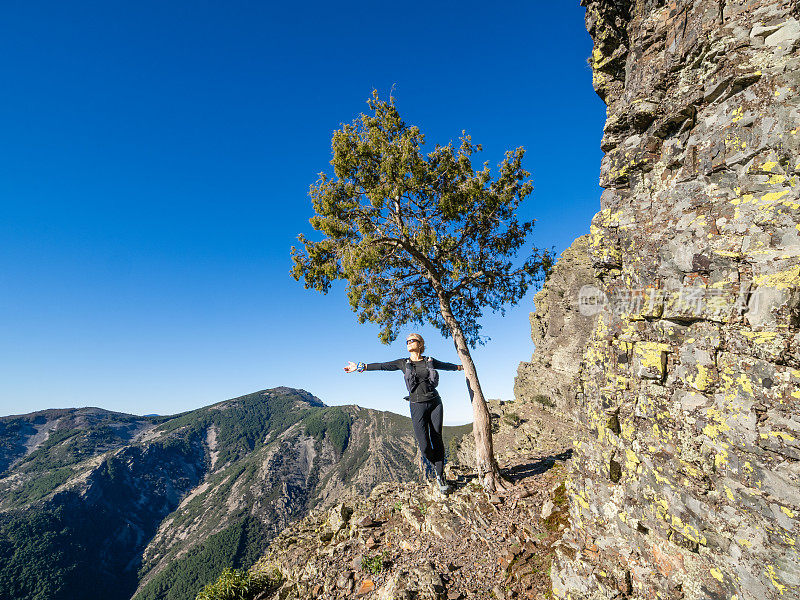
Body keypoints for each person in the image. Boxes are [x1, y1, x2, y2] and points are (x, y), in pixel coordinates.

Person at [344, 333, 463, 494]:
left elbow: (446, 366)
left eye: (412, 340)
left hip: (435, 402)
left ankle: (440, 476)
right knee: (425, 446)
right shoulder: (403, 363)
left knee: (437, 437)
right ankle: (436, 464)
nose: (409, 343)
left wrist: (461, 367)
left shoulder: (430, 360)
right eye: (407, 341)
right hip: (417, 405)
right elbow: (382, 365)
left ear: (420, 344)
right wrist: (361, 367)